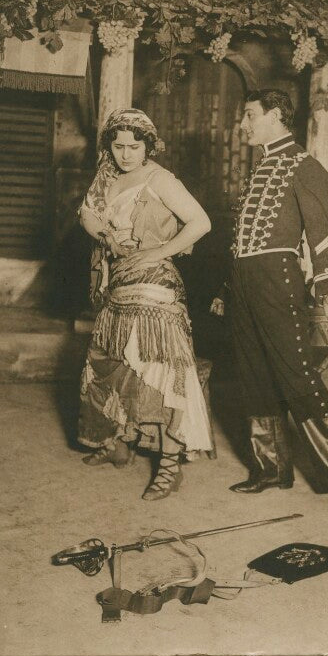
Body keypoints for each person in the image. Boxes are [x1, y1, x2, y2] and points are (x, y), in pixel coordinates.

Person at [213, 89, 328, 518]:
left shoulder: (304, 166)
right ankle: (271, 468)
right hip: (245, 283)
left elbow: (322, 234)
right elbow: (242, 241)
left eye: (249, 115)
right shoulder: (258, 168)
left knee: (298, 378)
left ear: (275, 116)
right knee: (254, 375)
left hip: (279, 282)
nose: (243, 124)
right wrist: (226, 289)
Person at [77, 108, 213, 501]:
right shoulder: (106, 178)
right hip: (117, 283)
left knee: (157, 369)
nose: (125, 154)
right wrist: (103, 233)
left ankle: (170, 465)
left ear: (149, 146)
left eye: (134, 147)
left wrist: (159, 254)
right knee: (109, 361)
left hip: (155, 285)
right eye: (118, 146)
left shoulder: (160, 179)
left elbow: (201, 223)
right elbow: (87, 213)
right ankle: (118, 440)